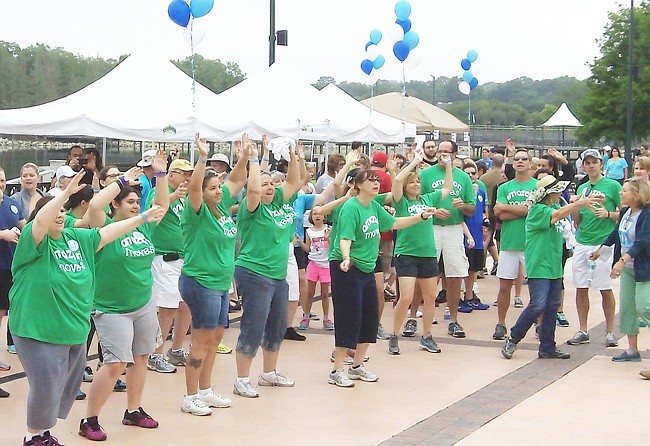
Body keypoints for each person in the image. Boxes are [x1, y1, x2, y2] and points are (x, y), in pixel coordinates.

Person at [9, 171, 164, 446]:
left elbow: (107, 232)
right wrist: (64, 194)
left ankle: (44, 433)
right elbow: (43, 220)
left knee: (61, 387)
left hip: (72, 329)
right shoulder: (33, 243)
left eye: (61, 211)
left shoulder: (76, 238)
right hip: (37, 328)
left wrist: (142, 218)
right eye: (53, 211)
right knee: (45, 385)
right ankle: (33, 436)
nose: (58, 215)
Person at [78, 153, 169, 440]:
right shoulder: (102, 226)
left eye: (137, 202)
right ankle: (89, 419)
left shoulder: (143, 225)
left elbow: (161, 205)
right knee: (115, 363)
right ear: (115, 204)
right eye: (130, 201)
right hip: (111, 308)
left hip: (142, 303)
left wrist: (161, 174)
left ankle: (133, 410)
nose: (136, 206)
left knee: (141, 357)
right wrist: (121, 181)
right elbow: (95, 204)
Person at [328, 169, 435, 387]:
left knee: (369, 316)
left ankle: (357, 366)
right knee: (348, 317)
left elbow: (394, 223)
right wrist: (346, 258)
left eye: (377, 180)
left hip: (367, 267)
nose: (376, 183)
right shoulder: (350, 208)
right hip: (347, 268)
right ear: (358, 185)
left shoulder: (374, 207)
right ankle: (337, 370)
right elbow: (345, 238)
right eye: (370, 180)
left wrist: (421, 216)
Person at [179, 134, 249, 415]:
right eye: (213, 188)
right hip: (201, 282)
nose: (219, 191)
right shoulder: (196, 211)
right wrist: (202, 158)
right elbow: (194, 188)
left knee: (215, 338)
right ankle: (190, 396)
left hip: (220, 284)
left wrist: (245, 158)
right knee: (201, 340)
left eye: (219, 187)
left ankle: (205, 390)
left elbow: (238, 179)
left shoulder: (221, 209)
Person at [501, 176, 602, 361]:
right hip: (539, 266)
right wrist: (579, 203)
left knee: (553, 305)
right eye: (557, 191)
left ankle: (547, 347)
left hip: (554, 266)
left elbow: (562, 213)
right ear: (548, 194)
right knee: (537, 305)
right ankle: (513, 338)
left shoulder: (555, 207)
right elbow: (557, 215)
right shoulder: (538, 210)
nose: (560, 193)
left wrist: (580, 202)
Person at [232, 140, 303, 398]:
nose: (270, 187)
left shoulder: (279, 202)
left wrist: (293, 156)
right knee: (253, 325)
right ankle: (242, 379)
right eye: (264, 184)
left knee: (276, 325)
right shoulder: (251, 207)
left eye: (272, 183)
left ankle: (269, 372)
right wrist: (253, 161)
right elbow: (252, 191)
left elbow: (294, 181)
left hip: (278, 275)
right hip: (254, 273)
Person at [388, 151, 452, 355]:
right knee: (406, 297)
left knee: (430, 296)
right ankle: (394, 335)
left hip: (427, 254)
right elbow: (398, 180)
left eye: (417, 181)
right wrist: (414, 161)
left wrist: (448, 166)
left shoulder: (427, 199)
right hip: (406, 254)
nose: (416, 184)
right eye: (412, 182)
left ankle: (427, 336)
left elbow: (447, 188)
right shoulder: (401, 202)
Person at [592, 178, 650, 375]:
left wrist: (622, 261)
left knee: (645, 306)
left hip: (644, 267)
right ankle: (632, 349)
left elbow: (642, 241)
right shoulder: (625, 212)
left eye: (625, 190)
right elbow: (616, 233)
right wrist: (602, 248)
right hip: (629, 269)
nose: (620, 193)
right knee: (627, 308)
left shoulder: (646, 214)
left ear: (637, 194)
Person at [420, 141, 476, 339]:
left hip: (454, 228)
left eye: (446, 152)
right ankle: (416, 316)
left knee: (455, 275)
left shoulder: (463, 177)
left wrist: (462, 206)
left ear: (454, 155)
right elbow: (417, 202)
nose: (442, 154)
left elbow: (472, 209)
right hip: (431, 227)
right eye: (440, 151)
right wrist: (434, 211)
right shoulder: (426, 174)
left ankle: (453, 319)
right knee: (425, 274)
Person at [567, 149, 621, 348]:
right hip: (583, 241)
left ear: (601, 164)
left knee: (605, 287)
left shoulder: (613, 186)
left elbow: (625, 212)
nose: (591, 166)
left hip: (603, 242)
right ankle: (583, 329)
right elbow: (577, 218)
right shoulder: (582, 188)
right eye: (587, 163)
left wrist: (608, 214)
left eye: (594, 162)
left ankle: (610, 331)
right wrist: (575, 208)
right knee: (581, 287)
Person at [146, 158, 194, 374]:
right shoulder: (159, 192)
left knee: (186, 305)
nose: (188, 178)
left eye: (190, 174)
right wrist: (173, 196)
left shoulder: (186, 198)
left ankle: (176, 349)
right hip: (164, 258)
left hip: (184, 258)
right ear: (171, 175)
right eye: (184, 173)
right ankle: (155, 354)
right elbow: (156, 209)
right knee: (167, 308)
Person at [492, 149, 537, 340]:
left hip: (532, 243)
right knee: (504, 286)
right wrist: (522, 210)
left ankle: (539, 324)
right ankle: (501, 323)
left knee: (536, 288)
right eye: (516, 159)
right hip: (509, 242)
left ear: (530, 163)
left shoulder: (537, 186)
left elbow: (533, 211)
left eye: (524, 159)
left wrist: (509, 208)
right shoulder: (504, 187)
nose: (519, 162)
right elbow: (499, 214)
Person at [0, 165, 26, 398]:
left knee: (3, 313)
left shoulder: (11, 204)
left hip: (8, 268)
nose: (0, 184)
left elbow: (23, 225)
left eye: (2, 180)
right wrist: (3, 235)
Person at [300, 208, 333, 330]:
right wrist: (300, 242)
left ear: (325, 216)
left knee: (325, 294)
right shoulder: (309, 231)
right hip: (313, 264)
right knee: (310, 293)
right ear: (311, 217)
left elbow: (333, 245)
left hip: (326, 265)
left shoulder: (328, 229)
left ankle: (326, 318)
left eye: (320, 213)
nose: (317, 216)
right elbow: (308, 249)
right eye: (314, 214)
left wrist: (328, 238)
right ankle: (306, 317)